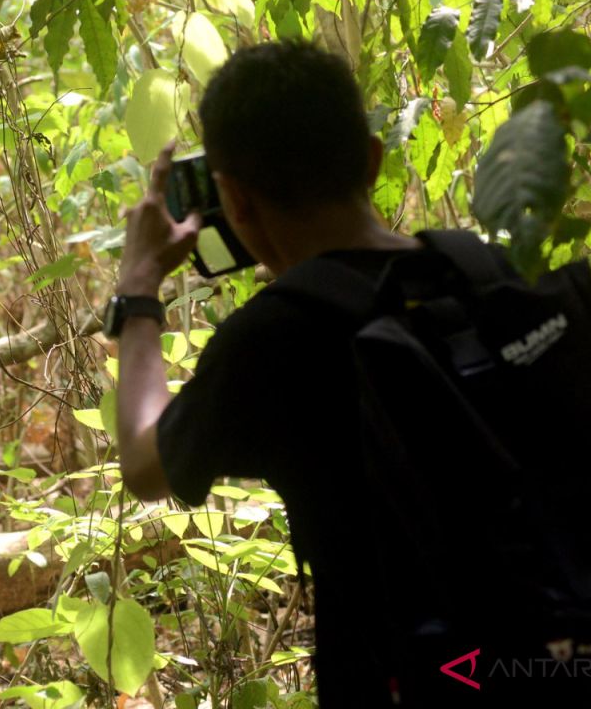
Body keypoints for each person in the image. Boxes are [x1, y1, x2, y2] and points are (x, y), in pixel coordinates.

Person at [112, 41, 419, 705]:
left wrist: (139, 289)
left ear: (235, 202)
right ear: (372, 159)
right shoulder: (484, 272)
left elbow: (143, 461)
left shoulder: (279, 336)